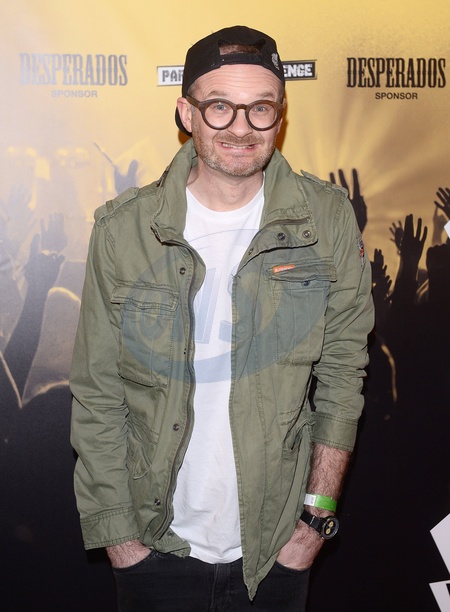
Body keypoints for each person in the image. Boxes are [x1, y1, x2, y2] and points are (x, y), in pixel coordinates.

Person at [70, 25, 374, 611]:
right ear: (186, 112)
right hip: (154, 545)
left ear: (280, 115)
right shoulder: (122, 230)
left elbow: (343, 374)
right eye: (219, 106)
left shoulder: (327, 219)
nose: (241, 127)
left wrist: (315, 522)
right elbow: (97, 391)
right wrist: (121, 540)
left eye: (260, 108)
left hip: (278, 547)